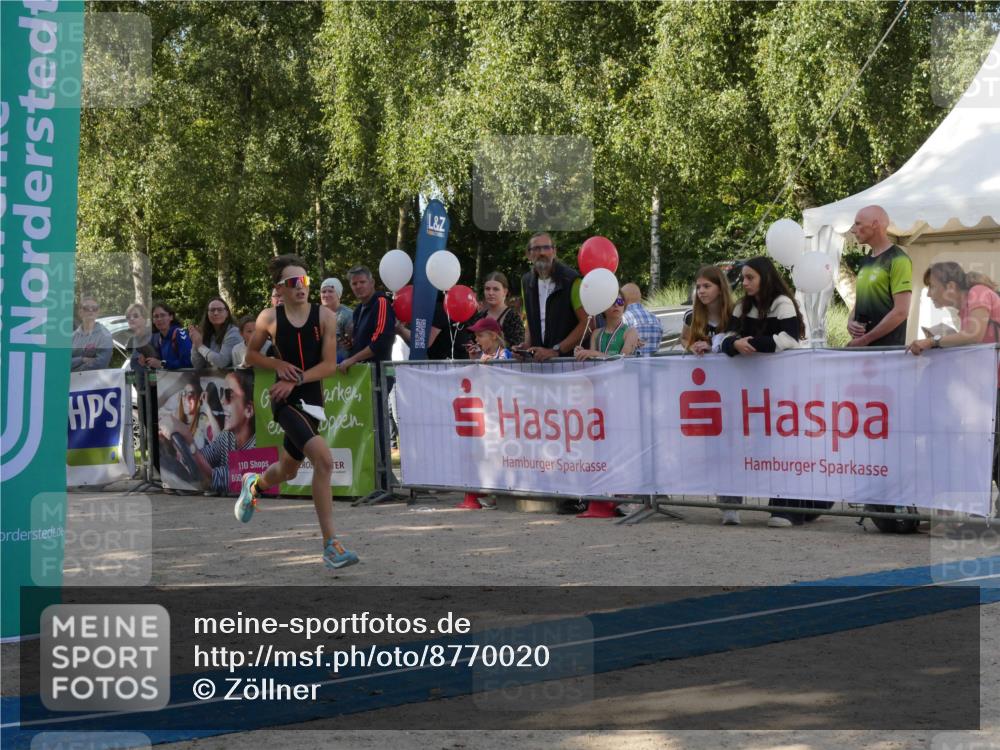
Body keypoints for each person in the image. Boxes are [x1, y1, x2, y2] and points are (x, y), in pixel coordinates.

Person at [236, 254, 358, 569]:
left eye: (304, 280)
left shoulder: (325, 316)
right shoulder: (268, 318)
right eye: (293, 282)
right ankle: (331, 545)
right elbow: (251, 355)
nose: (301, 287)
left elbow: (329, 366)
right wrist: (277, 364)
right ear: (280, 288)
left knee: (288, 470)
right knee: (324, 461)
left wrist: (298, 379)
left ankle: (254, 485)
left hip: (311, 399)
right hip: (283, 400)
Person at [721, 257, 811, 528]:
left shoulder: (782, 304)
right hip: (749, 390)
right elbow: (726, 338)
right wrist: (735, 344)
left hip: (782, 388)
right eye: (744, 278)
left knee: (783, 446)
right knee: (752, 445)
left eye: (751, 278)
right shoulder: (742, 307)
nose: (745, 283)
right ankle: (738, 504)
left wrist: (750, 344)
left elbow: (789, 339)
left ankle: (785, 509)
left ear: (765, 278)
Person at [908, 263, 1000, 493]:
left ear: (950, 286)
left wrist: (934, 341)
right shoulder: (967, 306)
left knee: (991, 450)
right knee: (990, 451)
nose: (929, 294)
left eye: (932, 287)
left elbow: (974, 335)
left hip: (993, 386)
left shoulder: (978, 293)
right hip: (989, 386)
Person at [680, 266, 741, 524]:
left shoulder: (736, 314)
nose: (702, 291)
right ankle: (726, 502)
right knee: (714, 446)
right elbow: (685, 341)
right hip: (706, 391)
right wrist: (692, 347)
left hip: (734, 389)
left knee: (734, 446)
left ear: (720, 287)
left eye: (707, 286)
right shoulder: (691, 317)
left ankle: (732, 503)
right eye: (699, 287)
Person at [341, 266, 397, 482]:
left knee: (379, 425)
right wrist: (351, 346)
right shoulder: (358, 310)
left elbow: (381, 341)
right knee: (367, 424)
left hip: (378, 374)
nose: (358, 287)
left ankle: (385, 478)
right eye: (354, 284)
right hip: (362, 377)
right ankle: (373, 476)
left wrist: (352, 359)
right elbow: (363, 342)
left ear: (372, 283)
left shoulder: (381, 303)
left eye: (362, 282)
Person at [847, 205, 912, 347]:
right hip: (863, 350)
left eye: (858, 224)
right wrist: (850, 320)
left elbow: (901, 311)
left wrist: (865, 340)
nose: (853, 230)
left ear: (875, 224)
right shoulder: (866, 259)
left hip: (885, 352)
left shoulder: (899, 259)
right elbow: (862, 300)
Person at [520, 232, 588, 360]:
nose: (542, 253)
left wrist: (556, 350)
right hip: (539, 362)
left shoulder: (571, 280)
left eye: (546, 247)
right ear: (528, 254)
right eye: (536, 248)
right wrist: (526, 346)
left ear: (554, 251)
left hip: (570, 362)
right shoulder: (526, 282)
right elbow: (529, 320)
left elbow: (587, 324)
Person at [466, 272, 524, 352]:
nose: (491, 293)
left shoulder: (513, 317)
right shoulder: (479, 316)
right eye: (487, 289)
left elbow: (518, 348)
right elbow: (470, 341)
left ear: (505, 292)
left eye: (496, 289)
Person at [574, 292, 640, 360]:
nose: (616, 305)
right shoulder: (596, 333)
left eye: (620, 301)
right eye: (612, 302)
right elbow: (593, 361)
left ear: (624, 306)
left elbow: (622, 360)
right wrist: (582, 354)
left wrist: (595, 353)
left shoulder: (630, 332)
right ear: (603, 308)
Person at [190, 297, 241, 370]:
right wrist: (195, 342)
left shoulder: (234, 332)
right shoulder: (208, 333)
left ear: (227, 313)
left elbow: (222, 362)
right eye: (212, 310)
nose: (216, 313)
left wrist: (200, 346)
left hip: (234, 376)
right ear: (207, 314)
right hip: (212, 376)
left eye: (220, 310)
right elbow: (198, 365)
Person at [142, 302, 193, 370]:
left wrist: (162, 364)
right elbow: (161, 364)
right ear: (153, 320)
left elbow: (188, 362)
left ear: (171, 317)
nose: (159, 319)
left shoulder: (180, 333)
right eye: (156, 316)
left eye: (163, 315)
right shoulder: (160, 339)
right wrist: (148, 362)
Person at [70, 295, 113, 371]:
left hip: (94, 378)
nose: (91, 310)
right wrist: (82, 359)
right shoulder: (72, 337)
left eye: (94, 308)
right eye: (86, 308)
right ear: (80, 312)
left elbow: (101, 364)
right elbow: (62, 362)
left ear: (98, 312)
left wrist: (74, 369)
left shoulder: (105, 335)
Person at [621, 283, 662, 356]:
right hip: (652, 363)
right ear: (640, 297)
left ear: (624, 299)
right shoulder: (656, 319)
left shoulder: (623, 318)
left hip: (630, 363)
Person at [320, 277, 354, 363]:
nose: (326, 295)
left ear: (338, 294)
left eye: (330, 291)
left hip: (342, 368)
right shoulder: (316, 315)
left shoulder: (346, 315)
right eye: (323, 292)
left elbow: (356, 343)